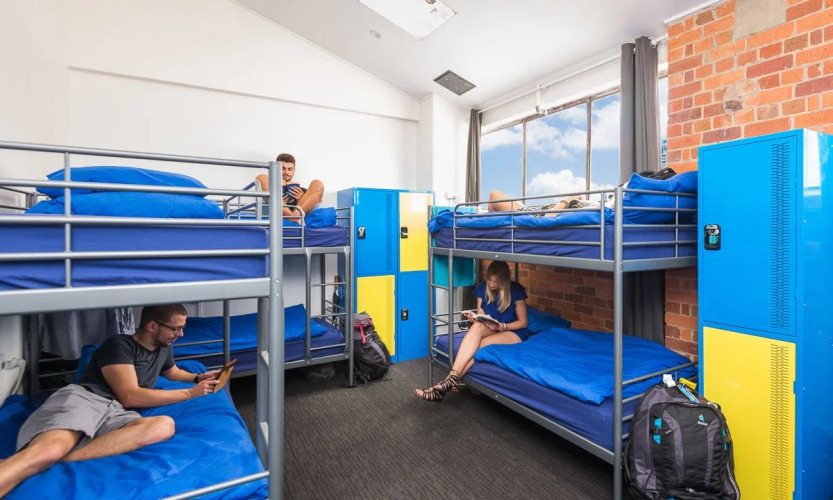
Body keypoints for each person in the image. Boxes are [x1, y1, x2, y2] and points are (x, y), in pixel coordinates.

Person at [0, 304, 220, 497]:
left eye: (182, 328)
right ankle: (47, 457)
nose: (180, 334)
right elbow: (130, 395)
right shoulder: (119, 345)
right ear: (152, 326)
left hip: (116, 411)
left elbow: (172, 372)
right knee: (49, 450)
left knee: (164, 425)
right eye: (175, 328)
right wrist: (190, 393)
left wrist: (198, 377)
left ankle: (63, 457)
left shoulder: (163, 348)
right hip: (87, 398)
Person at [415, 260, 529, 402]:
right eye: (490, 280)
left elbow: (523, 322)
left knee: (478, 346)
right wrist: (474, 319)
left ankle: (448, 382)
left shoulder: (516, 290)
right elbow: (482, 317)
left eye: (496, 281)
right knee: (476, 327)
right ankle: (451, 380)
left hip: (511, 332)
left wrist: (502, 327)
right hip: (492, 327)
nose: (492, 284)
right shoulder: (483, 289)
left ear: (504, 280)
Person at [256, 153, 324, 220]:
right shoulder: (266, 185)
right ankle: (293, 218)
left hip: (300, 214)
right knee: (261, 177)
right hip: (274, 214)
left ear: (294, 170)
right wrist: (279, 201)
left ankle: (295, 217)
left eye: (290, 169)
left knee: (317, 184)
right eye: (282, 168)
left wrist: (302, 200)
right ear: (275, 169)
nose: (286, 172)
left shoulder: (301, 191)